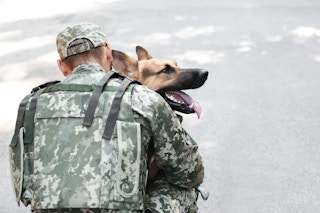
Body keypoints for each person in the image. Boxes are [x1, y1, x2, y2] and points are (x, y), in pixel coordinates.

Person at [30, 22, 204, 212]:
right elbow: (190, 173)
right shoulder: (144, 99)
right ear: (108, 53)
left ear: (62, 66)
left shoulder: (34, 104)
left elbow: (27, 187)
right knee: (182, 186)